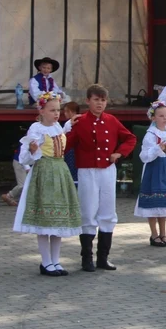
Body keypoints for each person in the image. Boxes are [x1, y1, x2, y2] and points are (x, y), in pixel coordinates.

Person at [66, 84, 137, 272]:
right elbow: (65, 144)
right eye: (96, 100)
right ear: (88, 101)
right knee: (88, 212)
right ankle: (86, 259)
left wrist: (119, 153)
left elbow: (130, 138)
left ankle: (103, 258)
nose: (100, 103)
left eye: (103, 100)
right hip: (87, 171)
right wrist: (67, 128)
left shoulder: (111, 120)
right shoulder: (80, 122)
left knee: (107, 212)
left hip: (107, 170)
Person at [13, 93, 81, 276]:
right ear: (41, 111)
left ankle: (56, 261)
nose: (56, 113)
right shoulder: (36, 129)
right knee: (45, 220)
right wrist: (34, 150)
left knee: (57, 220)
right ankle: (45, 262)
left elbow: (61, 135)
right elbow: (24, 158)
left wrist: (69, 125)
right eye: (52, 110)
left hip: (60, 171)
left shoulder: (58, 126)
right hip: (44, 173)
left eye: (58, 110)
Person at [134, 101, 166, 247]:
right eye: (161, 115)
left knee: (164, 202)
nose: (165, 118)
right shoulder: (150, 135)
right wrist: (158, 148)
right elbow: (144, 156)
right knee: (154, 202)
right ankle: (154, 234)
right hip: (155, 169)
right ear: (153, 118)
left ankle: (163, 233)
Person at [61, 101, 81, 185]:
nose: (65, 114)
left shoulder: (68, 123)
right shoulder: (82, 119)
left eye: (66, 111)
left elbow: (62, 135)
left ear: (71, 111)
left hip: (70, 150)